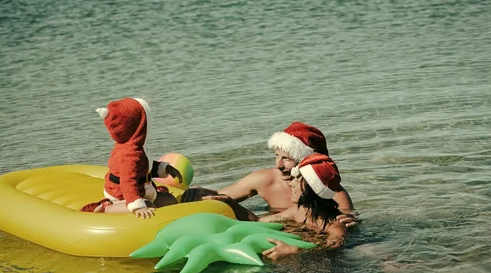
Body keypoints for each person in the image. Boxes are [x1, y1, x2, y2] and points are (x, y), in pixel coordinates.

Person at [183, 121, 358, 227]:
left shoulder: (333, 192)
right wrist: (199, 192)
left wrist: (349, 220)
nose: (278, 165)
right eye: (276, 156)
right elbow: (221, 198)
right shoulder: (264, 179)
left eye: (287, 159)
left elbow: (346, 221)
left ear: (308, 162)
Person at [205, 153, 347, 259]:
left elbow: (331, 251)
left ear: (311, 189)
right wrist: (228, 201)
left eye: (296, 180)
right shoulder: (298, 211)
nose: (291, 183)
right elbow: (257, 222)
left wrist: (295, 250)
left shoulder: (336, 226)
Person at [80, 97, 182, 219]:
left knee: (169, 200)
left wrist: (165, 169)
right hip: (121, 193)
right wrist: (138, 205)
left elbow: (144, 166)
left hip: (142, 188)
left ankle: (142, 200)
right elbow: (127, 181)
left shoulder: (137, 146)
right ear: (138, 126)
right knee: (147, 205)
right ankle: (106, 207)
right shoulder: (129, 154)